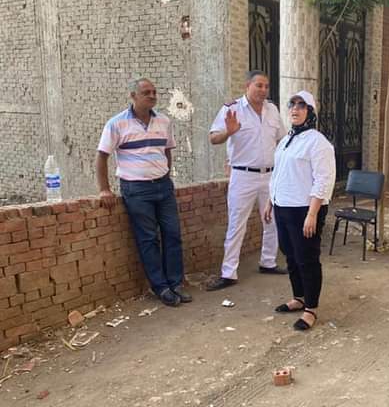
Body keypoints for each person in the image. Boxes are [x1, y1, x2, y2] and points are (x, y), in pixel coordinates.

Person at [96, 78, 192, 307]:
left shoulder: (164, 121)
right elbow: (102, 157)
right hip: (136, 189)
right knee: (148, 239)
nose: (152, 96)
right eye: (146, 92)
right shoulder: (116, 124)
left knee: (173, 235)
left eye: (154, 92)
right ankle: (161, 287)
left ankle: (176, 284)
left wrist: (165, 174)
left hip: (163, 186)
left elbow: (166, 151)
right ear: (133, 96)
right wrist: (104, 189)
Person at [207, 70, 287, 291]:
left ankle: (268, 262)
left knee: (272, 221)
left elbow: (281, 139)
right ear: (247, 86)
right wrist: (228, 132)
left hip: (269, 175)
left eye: (266, 86)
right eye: (258, 85)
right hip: (243, 176)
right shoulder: (232, 109)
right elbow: (213, 137)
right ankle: (228, 273)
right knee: (236, 224)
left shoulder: (272, 110)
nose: (263, 90)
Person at [263, 91, 336, 330]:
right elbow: (279, 174)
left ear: (310, 112)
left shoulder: (318, 142)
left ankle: (311, 308)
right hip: (283, 206)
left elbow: (323, 180)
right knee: (290, 255)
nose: (295, 109)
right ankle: (299, 297)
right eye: (292, 104)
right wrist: (270, 201)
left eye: (302, 105)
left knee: (307, 258)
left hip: (304, 209)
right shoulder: (287, 140)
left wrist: (312, 214)